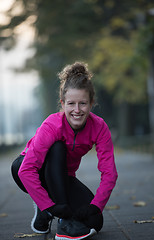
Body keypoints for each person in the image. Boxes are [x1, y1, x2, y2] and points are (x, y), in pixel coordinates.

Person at [11, 61, 118, 240]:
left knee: (95, 221)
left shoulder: (99, 127)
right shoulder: (52, 125)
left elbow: (110, 174)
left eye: (83, 103)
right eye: (71, 104)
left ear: (91, 103)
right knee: (57, 147)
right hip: (29, 170)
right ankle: (60, 219)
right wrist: (50, 207)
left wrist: (95, 206)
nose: (77, 110)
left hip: (63, 178)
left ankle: (54, 209)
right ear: (63, 103)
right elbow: (26, 170)